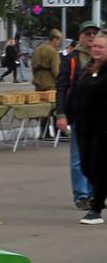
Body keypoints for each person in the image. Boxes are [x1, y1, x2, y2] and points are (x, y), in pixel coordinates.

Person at [64, 32, 107, 224]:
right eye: (94, 46)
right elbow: (75, 93)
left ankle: (96, 208)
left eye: (101, 47)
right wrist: (66, 115)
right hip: (83, 125)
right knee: (86, 167)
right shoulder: (88, 68)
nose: (96, 49)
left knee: (98, 166)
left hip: (104, 127)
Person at [57, 21, 98, 211]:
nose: (90, 37)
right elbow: (62, 87)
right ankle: (81, 195)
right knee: (79, 156)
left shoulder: (102, 57)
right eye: (87, 33)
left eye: (94, 33)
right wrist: (61, 114)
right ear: (80, 37)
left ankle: (94, 192)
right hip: (80, 115)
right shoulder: (72, 58)